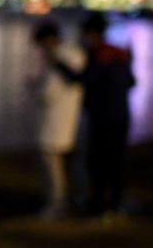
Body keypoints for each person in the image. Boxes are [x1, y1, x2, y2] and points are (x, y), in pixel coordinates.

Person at [50, 13, 136, 217]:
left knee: (97, 161)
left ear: (91, 33)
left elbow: (83, 79)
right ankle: (115, 202)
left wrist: (58, 64)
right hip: (122, 115)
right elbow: (132, 82)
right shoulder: (119, 53)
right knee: (117, 160)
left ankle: (97, 203)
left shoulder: (97, 54)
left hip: (101, 116)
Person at [30, 22, 85, 220]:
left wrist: (36, 87)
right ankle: (73, 200)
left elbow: (47, 93)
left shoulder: (56, 58)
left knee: (52, 167)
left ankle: (57, 204)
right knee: (70, 165)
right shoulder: (77, 54)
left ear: (47, 40)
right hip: (71, 119)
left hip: (53, 123)